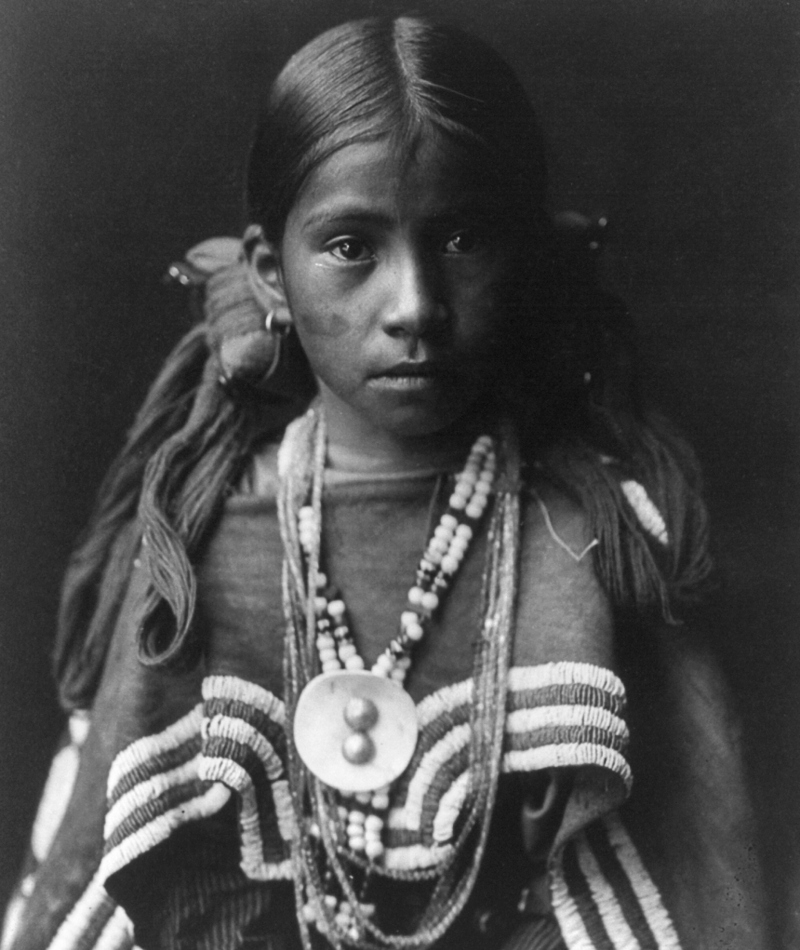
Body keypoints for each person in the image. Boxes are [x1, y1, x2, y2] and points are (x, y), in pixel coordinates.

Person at [2, 15, 768, 950]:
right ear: (269, 275)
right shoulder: (201, 552)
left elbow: (696, 887)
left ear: (524, 258)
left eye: (461, 238)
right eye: (352, 247)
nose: (413, 306)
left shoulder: (597, 543)